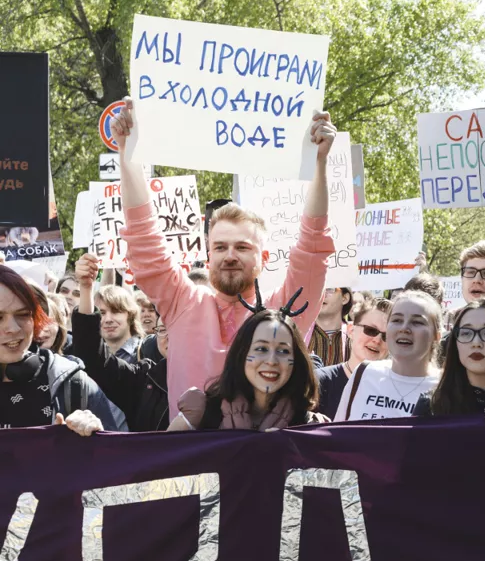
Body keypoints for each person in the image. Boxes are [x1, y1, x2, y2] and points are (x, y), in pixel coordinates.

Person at [112, 97, 336, 416]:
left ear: (264, 257)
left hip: (265, 460)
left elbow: (313, 248)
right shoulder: (182, 302)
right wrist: (127, 154)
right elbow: (142, 234)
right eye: (220, 247)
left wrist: (320, 164)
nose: (230, 255)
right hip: (190, 462)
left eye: (242, 247)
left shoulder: (285, 311)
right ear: (208, 254)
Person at [0, 265, 124, 433]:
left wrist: (97, 440)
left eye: (22, 314)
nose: (13, 328)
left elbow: (119, 455)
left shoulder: (74, 384)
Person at [168, 307, 324, 431]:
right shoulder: (201, 412)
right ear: (242, 354)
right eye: (261, 349)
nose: (271, 361)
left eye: (283, 351)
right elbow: (164, 462)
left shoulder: (309, 426)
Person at [74, 261, 172, 432]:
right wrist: (86, 288)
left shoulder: (216, 379)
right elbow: (94, 359)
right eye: (163, 330)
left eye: (178, 328)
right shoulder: (146, 377)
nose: (170, 337)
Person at [334, 291, 442, 420]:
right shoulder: (365, 372)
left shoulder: (444, 387)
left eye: (417, 322)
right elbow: (337, 434)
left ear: (436, 336)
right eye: (397, 320)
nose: (404, 328)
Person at [315, 297, 390, 418]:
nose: (377, 340)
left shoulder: (396, 392)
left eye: (387, 336)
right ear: (351, 331)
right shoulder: (319, 381)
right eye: (370, 330)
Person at [94, 284, 143, 363]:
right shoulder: (90, 355)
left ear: (131, 314)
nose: (108, 319)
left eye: (115, 311)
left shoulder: (146, 351)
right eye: (102, 313)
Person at [310, 286, 352, 367]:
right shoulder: (299, 335)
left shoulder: (355, 338)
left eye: (329, 289)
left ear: (345, 298)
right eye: (316, 289)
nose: (321, 294)